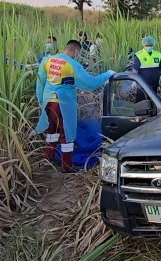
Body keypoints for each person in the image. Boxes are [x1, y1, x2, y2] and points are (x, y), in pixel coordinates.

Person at [36, 40, 115, 172]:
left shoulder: (47, 60)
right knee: (67, 134)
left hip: (48, 101)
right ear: (77, 51)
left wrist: (40, 100)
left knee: (52, 132)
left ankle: (48, 159)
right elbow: (90, 83)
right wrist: (107, 74)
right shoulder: (72, 65)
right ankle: (66, 166)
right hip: (63, 103)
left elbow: (40, 82)